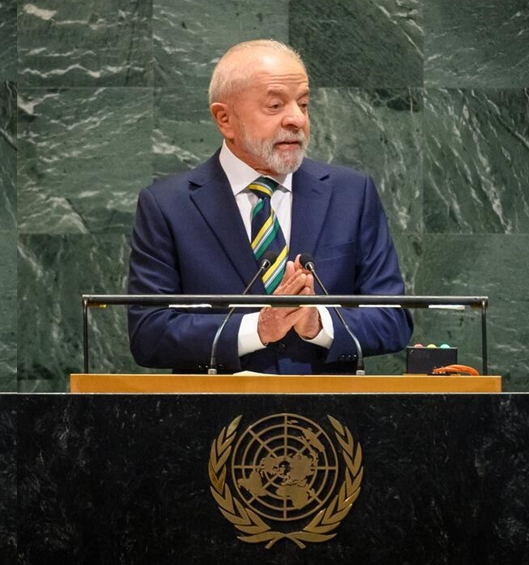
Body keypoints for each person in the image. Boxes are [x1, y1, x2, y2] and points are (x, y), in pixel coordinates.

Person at [127, 40, 413, 374]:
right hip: (213, 417)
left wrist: (318, 322)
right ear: (225, 119)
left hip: (330, 415)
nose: (296, 119)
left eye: (303, 104)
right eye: (275, 105)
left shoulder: (352, 194)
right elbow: (149, 334)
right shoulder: (168, 206)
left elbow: (393, 320)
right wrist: (258, 328)